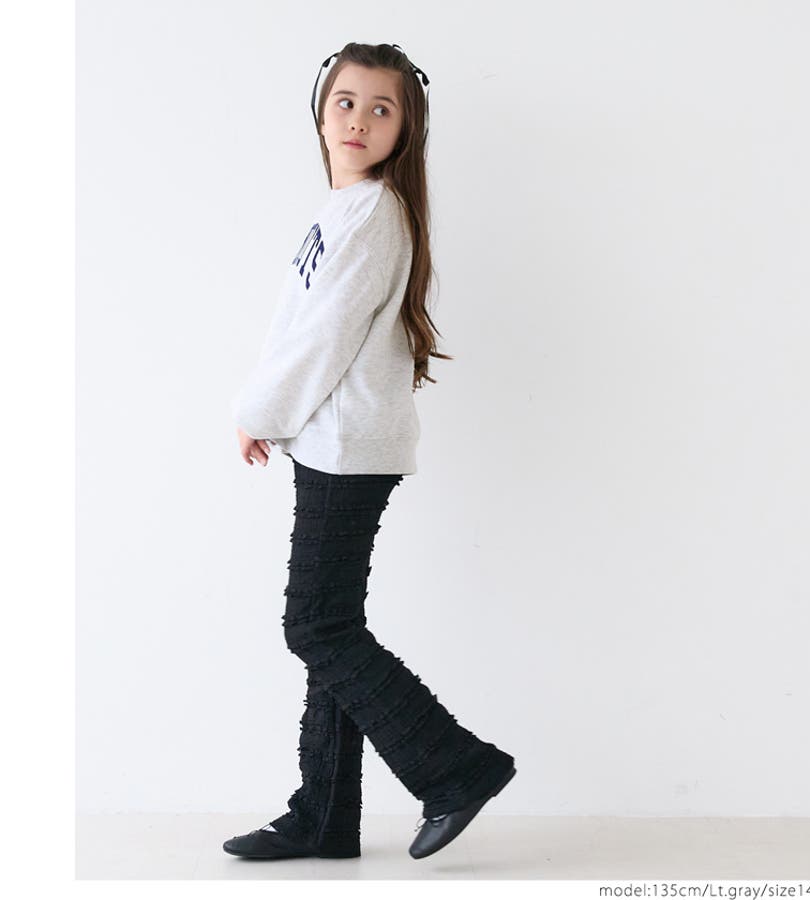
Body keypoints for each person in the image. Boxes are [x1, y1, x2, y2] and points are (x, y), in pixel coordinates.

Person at [223, 42, 516, 862]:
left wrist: (259, 411)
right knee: (332, 625)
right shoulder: (347, 210)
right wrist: (270, 410)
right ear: (321, 112)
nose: (358, 120)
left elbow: (324, 336)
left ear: (404, 129)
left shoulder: (375, 214)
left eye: (380, 109)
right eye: (345, 102)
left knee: (316, 626)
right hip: (337, 438)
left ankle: (457, 768)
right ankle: (323, 817)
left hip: (348, 442)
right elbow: (301, 327)